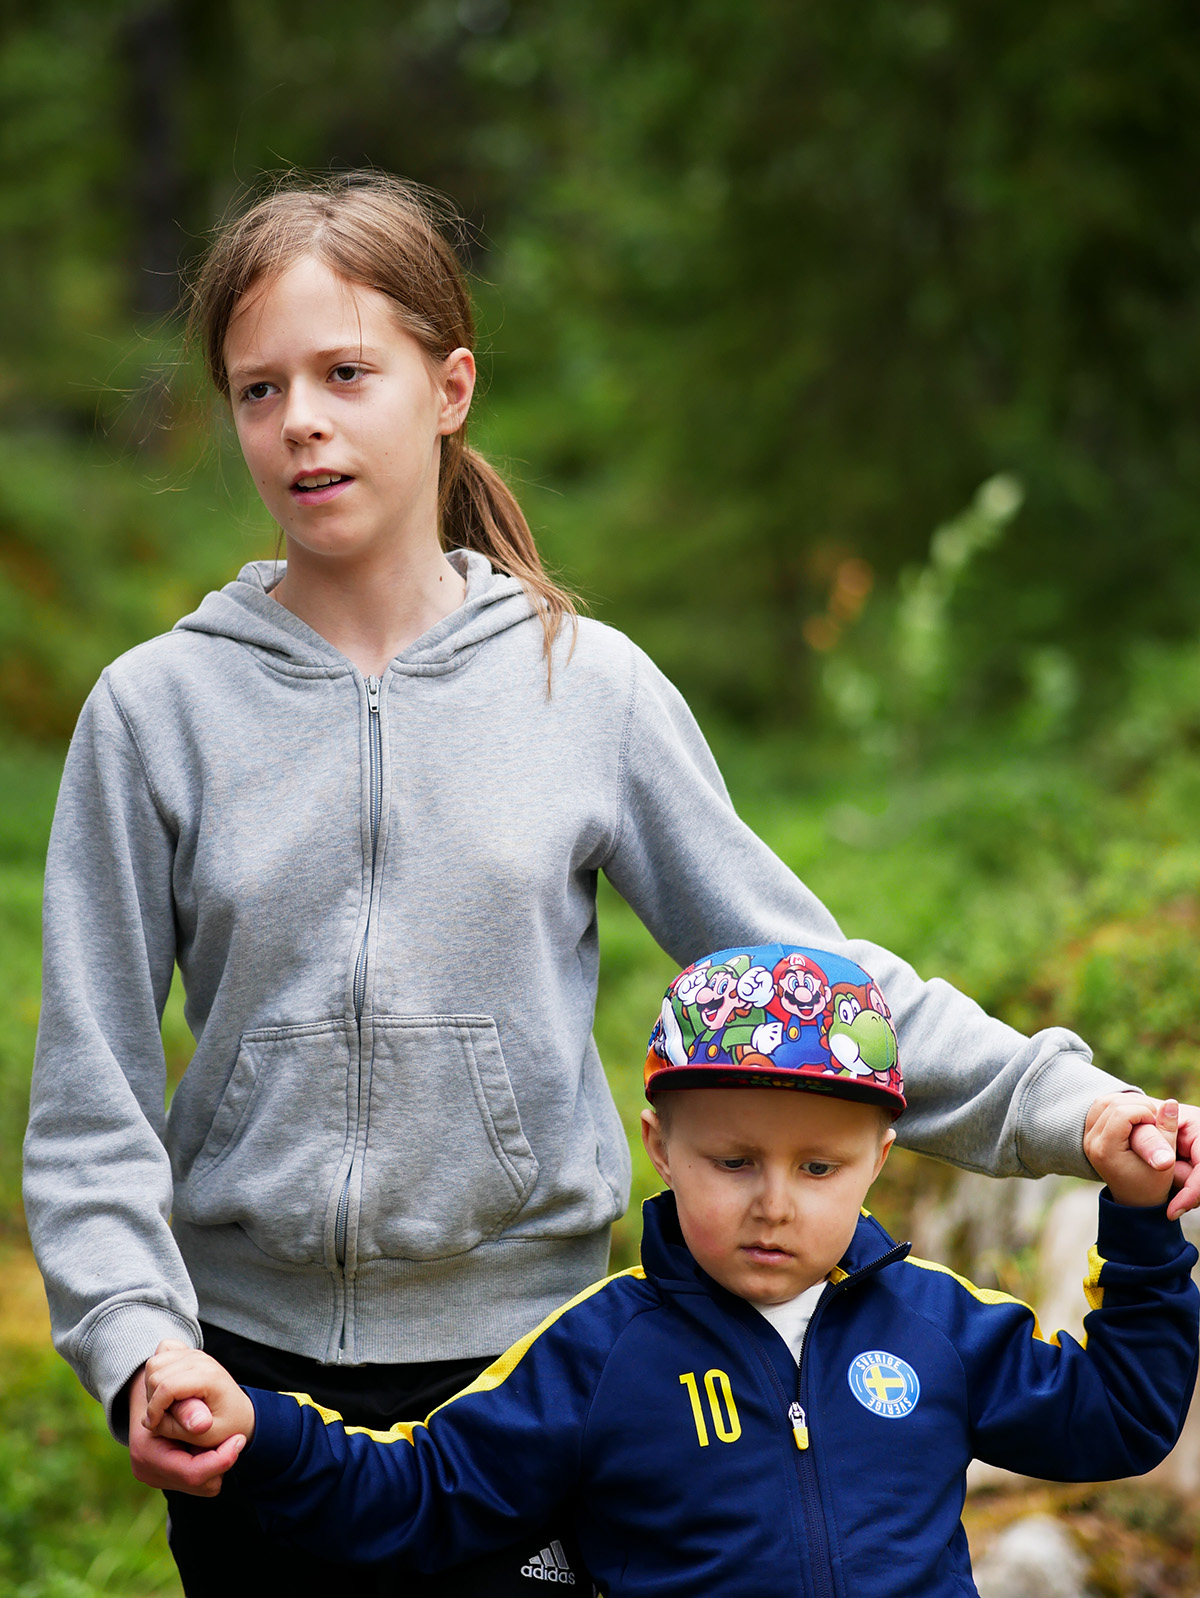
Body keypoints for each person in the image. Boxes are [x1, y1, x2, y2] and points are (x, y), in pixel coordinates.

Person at [20, 171, 1200, 1596]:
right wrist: (142, 1339)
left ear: (450, 385)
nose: (301, 423)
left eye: (346, 373)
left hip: (539, 1363)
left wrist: (1074, 1111)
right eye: (258, 390)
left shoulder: (587, 688)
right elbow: (92, 1108)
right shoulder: (155, 714)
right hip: (249, 1374)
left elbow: (814, 986)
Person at [139, 944, 1200, 1597]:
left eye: (819, 1165)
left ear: (881, 1157)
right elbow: (421, 1489)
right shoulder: (600, 1352)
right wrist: (261, 1427)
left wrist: (1145, 1225)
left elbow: (1119, 1415)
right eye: (733, 1160)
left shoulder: (937, 1325)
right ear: (661, 1144)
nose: (775, 1199)